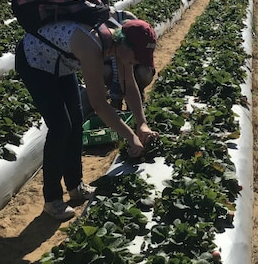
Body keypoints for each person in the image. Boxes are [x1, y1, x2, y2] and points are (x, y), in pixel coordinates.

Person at [15, 13, 158, 221]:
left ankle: (75, 186)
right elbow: (99, 104)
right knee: (61, 126)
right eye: (137, 57)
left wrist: (142, 124)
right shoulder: (93, 47)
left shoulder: (122, 44)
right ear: (127, 47)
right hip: (36, 62)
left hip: (61, 63)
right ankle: (52, 199)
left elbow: (130, 87)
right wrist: (130, 136)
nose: (137, 62)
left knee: (76, 120)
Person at [79, 0, 156, 116]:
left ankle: (134, 97)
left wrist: (140, 121)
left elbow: (128, 78)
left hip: (129, 65)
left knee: (140, 72)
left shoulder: (125, 23)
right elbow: (99, 104)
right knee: (104, 73)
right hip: (49, 62)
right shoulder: (94, 38)